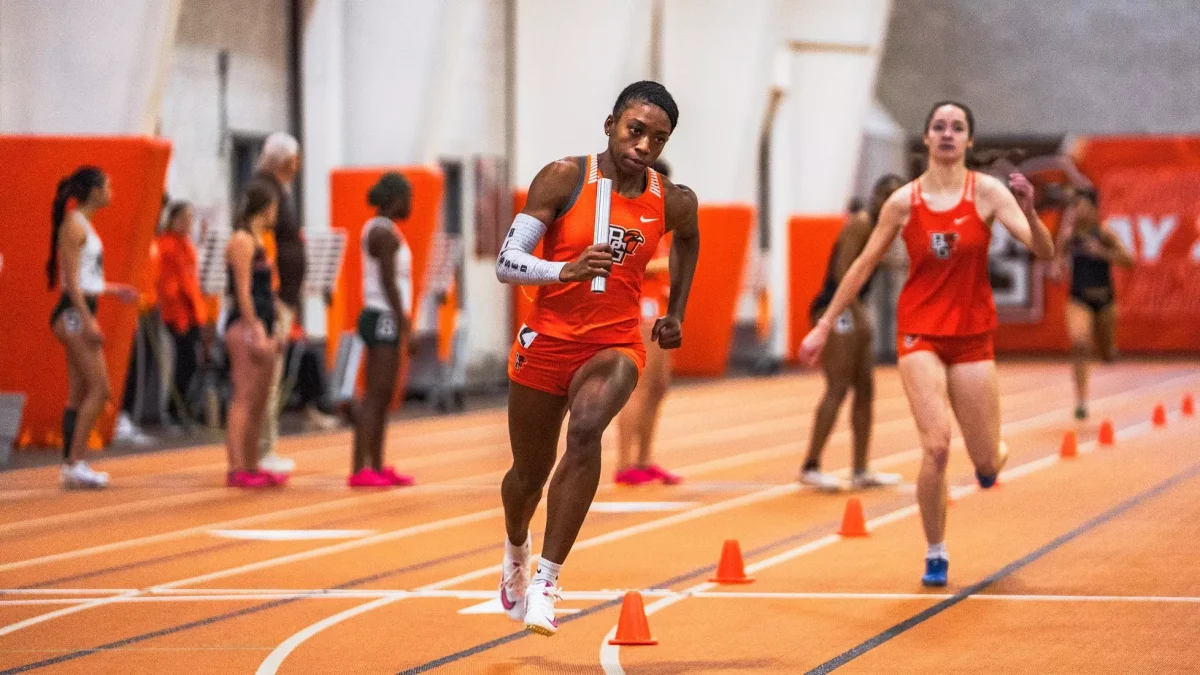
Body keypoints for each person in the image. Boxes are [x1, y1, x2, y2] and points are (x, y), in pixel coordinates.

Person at [799, 101, 1054, 587]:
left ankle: (992, 453)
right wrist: (825, 324)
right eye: (939, 126)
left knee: (984, 460)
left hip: (973, 336)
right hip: (920, 333)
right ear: (926, 138)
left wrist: (1029, 212)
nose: (948, 134)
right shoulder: (903, 203)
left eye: (957, 128)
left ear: (969, 142)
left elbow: (1043, 250)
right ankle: (935, 552)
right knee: (935, 445)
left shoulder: (989, 193)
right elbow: (862, 265)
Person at [494, 81, 700, 637]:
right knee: (526, 478)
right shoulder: (562, 177)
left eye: (657, 139)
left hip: (613, 344)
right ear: (610, 124)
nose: (643, 145)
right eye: (635, 130)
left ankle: (547, 581)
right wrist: (564, 269)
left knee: (586, 430)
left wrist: (675, 309)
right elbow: (507, 262)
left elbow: (690, 237)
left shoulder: (670, 198)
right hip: (548, 339)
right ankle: (516, 547)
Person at [800, 174, 905, 492]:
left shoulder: (882, 227)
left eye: (896, 197)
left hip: (852, 311)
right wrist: (861, 316)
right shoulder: (861, 222)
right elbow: (843, 271)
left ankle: (860, 469)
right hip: (836, 310)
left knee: (866, 388)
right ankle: (811, 465)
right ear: (874, 196)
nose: (890, 202)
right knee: (838, 385)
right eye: (885, 195)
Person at [47, 167, 140, 489]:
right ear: (94, 191)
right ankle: (75, 462)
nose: (112, 191)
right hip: (73, 313)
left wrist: (114, 290)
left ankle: (71, 464)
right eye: (108, 185)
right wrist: (88, 321)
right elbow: (71, 282)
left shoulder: (83, 224)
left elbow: (86, 278)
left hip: (80, 308)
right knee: (101, 390)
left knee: (78, 393)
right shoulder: (74, 225)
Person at [613, 158, 682, 486]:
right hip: (641, 310)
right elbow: (628, 264)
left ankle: (644, 459)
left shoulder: (662, 221)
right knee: (638, 389)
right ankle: (625, 463)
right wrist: (674, 262)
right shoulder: (634, 218)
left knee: (659, 386)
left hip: (662, 310)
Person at [348, 173, 417, 488]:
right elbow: (389, 282)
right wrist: (405, 324)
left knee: (383, 394)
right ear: (395, 199)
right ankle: (361, 468)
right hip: (383, 316)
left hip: (384, 316)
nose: (411, 204)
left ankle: (375, 464)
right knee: (375, 395)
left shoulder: (384, 230)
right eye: (408, 198)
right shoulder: (383, 235)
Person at [223, 181, 284, 488]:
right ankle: (236, 467)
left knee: (259, 400)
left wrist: (275, 326)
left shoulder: (260, 240)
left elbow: (265, 290)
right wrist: (255, 327)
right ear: (265, 208)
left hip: (263, 324)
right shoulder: (243, 240)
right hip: (245, 326)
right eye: (274, 207)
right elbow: (242, 291)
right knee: (244, 396)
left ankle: (251, 462)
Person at [1055, 188, 1133, 419]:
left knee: (1106, 353)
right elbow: (1058, 260)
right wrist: (1057, 268)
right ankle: (1081, 401)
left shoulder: (1105, 233)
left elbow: (1129, 261)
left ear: (1094, 210)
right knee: (1079, 344)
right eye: (1075, 206)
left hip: (1105, 300)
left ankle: (1108, 350)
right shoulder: (1069, 236)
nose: (1078, 211)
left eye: (1083, 207)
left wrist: (1102, 252)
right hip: (1079, 298)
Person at [156, 200, 212, 427]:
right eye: (184, 218)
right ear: (173, 220)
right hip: (178, 314)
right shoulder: (167, 245)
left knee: (191, 363)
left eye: (191, 218)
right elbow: (172, 286)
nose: (189, 223)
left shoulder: (186, 244)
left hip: (192, 313)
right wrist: (181, 317)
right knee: (184, 362)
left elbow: (191, 281)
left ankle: (183, 408)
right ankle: (174, 408)